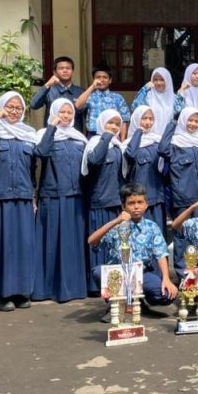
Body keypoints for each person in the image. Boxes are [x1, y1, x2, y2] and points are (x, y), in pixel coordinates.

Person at [88, 183, 179, 323]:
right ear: (123, 206)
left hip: (142, 274)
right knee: (98, 272)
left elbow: (161, 254)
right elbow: (92, 241)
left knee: (167, 295)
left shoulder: (152, 227)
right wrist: (116, 221)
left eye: (140, 202)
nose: (136, 207)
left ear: (146, 205)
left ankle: (139, 302)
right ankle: (116, 305)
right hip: (118, 274)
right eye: (131, 203)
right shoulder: (116, 226)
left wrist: (166, 278)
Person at [0, 91, 38, 312]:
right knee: (1, 245)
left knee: (23, 245)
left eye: (18, 108)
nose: (14, 111)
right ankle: (1, 293)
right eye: (10, 107)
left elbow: (33, 169)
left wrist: (33, 195)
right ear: (2, 107)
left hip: (23, 197)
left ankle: (21, 292)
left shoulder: (29, 134)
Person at [33, 98, 88, 303]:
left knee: (73, 244)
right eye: (62, 112)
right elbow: (41, 152)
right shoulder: (44, 134)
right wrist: (52, 127)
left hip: (75, 199)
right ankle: (47, 289)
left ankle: (74, 288)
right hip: (53, 197)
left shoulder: (79, 138)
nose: (65, 115)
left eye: (69, 112)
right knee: (52, 243)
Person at [81, 109, 126, 296]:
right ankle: (96, 285)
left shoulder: (117, 147)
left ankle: (113, 284)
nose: (114, 127)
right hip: (99, 203)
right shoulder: (95, 143)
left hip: (115, 203)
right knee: (98, 245)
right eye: (110, 123)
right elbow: (94, 161)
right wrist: (106, 137)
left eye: (117, 124)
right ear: (101, 123)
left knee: (113, 246)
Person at [160, 107, 198, 269]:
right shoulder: (174, 143)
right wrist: (172, 124)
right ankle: (183, 272)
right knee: (182, 236)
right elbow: (162, 149)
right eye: (190, 120)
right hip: (182, 199)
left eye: (196, 121)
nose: (193, 124)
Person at [124, 106, 168, 234]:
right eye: (144, 118)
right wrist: (138, 132)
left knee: (158, 234)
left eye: (151, 119)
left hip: (157, 198)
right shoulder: (128, 144)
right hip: (137, 200)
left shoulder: (157, 141)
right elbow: (131, 154)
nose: (148, 122)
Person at [31, 56, 85, 133]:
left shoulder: (81, 92)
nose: (65, 71)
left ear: (72, 71)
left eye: (68, 68)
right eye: (61, 68)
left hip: (74, 135)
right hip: (52, 134)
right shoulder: (49, 91)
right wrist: (47, 85)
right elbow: (34, 105)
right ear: (55, 72)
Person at [76, 64, 130, 138]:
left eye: (105, 77)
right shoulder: (89, 96)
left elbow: (124, 121)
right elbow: (78, 106)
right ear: (94, 79)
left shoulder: (118, 98)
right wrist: (92, 86)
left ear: (110, 80)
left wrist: (122, 141)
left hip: (113, 136)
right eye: (98, 77)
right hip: (93, 135)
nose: (101, 80)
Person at [132, 67, 183, 135]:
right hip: (148, 137)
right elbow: (136, 107)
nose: (158, 83)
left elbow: (180, 112)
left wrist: (181, 94)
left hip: (168, 137)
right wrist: (144, 89)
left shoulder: (174, 98)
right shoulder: (147, 97)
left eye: (162, 80)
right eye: (155, 80)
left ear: (168, 81)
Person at [178, 63, 198, 134]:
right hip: (183, 133)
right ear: (188, 74)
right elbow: (177, 110)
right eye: (194, 73)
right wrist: (182, 90)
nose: (197, 76)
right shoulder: (182, 92)